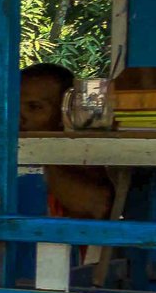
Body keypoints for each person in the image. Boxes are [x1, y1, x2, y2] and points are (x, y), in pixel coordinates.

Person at [20, 62, 116, 220]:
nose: (19, 116)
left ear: (65, 112)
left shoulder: (80, 155)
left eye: (34, 107)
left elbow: (97, 207)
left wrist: (40, 157)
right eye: (13, 105)